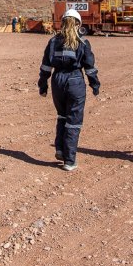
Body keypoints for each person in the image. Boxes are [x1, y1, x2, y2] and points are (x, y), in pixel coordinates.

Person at [38, 9, 100, 171]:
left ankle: (60, 149)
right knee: (73, 121)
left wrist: (42, 85)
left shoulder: (53, 42)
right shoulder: (82, 42)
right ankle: (69, 161)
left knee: (62, 116)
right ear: (78, 24)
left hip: (57, 82)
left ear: (63, 22)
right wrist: (95, 85)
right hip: (74, 81)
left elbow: (45, 66)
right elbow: (90, 67)